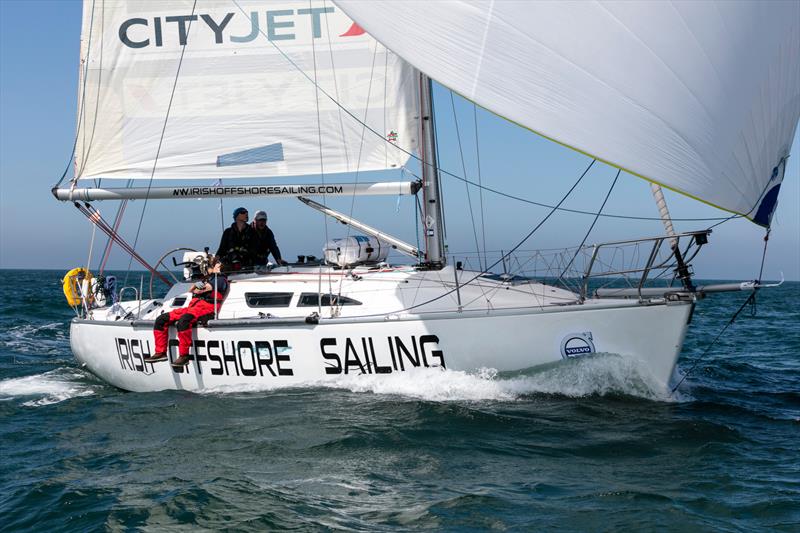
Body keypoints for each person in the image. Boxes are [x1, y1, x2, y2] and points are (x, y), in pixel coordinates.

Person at [144, 257, 229, 367]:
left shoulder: (221, 280)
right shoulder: (208, 279)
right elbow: (191, 290)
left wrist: (197, 287)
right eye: (214, 265)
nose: (214, 267)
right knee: (161, 319)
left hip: (206, 308)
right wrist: (196, 286)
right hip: (193, 307)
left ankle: (184, 356)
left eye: (216, 265)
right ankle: (160, 352)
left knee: (184, 321)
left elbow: (203, 289)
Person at [216, 207, 255, 271]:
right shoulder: (228, 232)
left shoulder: (252, 232)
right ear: (236, 216)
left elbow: (254, 249)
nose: (246, 214)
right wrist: (215, 260)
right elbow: (222, 249)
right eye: (243, 212)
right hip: (229, 266)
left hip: (247, 267)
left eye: (247, 212)